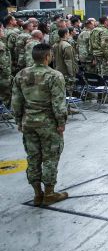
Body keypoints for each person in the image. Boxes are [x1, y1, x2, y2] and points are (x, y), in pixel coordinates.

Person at [12, 43, 69, 206]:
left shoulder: (21, 75)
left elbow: (16, 102)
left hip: (28, 122)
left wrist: (18, 121)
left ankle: (38, 194)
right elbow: (58, 103)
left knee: (33, 157)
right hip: (48, 123)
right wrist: (61, 123)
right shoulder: (54, 76)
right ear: (47, 57)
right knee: (50, 158)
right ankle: (50, 193)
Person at [52, 28, 77, 98]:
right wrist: (71, 74)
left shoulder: (55, 45)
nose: (69, 34)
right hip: (66, 72)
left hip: (57, 70)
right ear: (66, 34)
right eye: (68, 33)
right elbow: (69, 61)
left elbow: (53, 59)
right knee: (68, 91)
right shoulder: (67, 45)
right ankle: (67, 106)